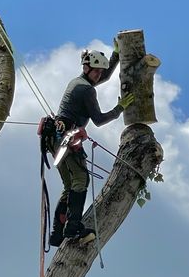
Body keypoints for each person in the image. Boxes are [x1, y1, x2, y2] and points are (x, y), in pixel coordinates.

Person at [49, 48, 135, 246]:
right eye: (95, 71)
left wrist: (116, 56)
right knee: (81, 179)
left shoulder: (78, 81)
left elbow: (102, 77)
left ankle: (57, 232)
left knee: (70, 185)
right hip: (67, 138)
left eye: (99, 72)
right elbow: (98, 119)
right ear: (87, 68)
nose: (98, 75)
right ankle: (73, 228)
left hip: (55, 138)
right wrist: (119, 109)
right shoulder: (86, 89)